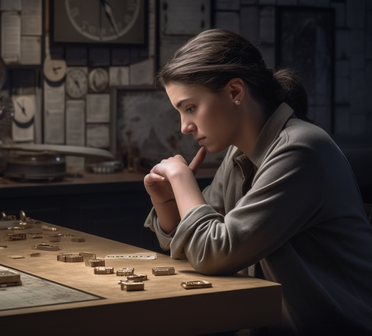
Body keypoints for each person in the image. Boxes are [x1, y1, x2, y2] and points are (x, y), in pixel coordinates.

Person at [143, 28, 372, 335]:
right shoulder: (238, 154)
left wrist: (182, 180)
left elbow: (213, 251)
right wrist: (168, 202)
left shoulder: (300, 150)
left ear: (235, 91)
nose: (185, 127)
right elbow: (194, 245)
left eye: (190, 108)